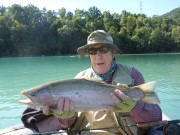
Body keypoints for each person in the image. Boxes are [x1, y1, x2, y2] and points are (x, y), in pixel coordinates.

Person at [5, 30, 162, 135]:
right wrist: (64, 116)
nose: (98, 55)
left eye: (104, 49)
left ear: (113, 52)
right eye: (93, 51)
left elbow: (155, 116)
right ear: (88, 55)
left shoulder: (133, 75)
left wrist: (135, 106)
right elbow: (68, 124)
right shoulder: (78, 78)